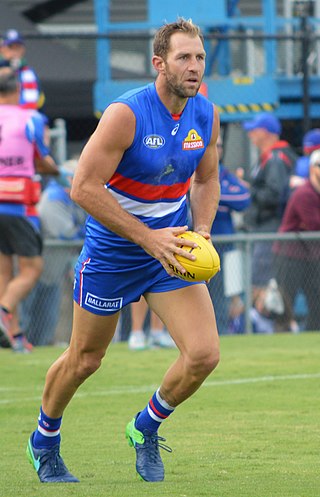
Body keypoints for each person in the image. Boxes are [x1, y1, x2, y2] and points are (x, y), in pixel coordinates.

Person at [26, 18, 221, 484]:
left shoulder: (207, 114)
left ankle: (144, 427)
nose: (193, 67)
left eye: (198, 58)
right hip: (113, 253)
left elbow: (207, 178)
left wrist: (204, 230)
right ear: (159, 63)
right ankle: (44, 440)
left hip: (170, 250)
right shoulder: (126, 113)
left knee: (204, 355)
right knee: (85, 359)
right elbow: (83, 187)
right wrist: (146, 237)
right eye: (183, 58)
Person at [0, 68, 60, 352]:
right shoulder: (30, 118)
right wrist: (58, 171)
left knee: (3, 271)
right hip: (18, 204)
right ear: (16, 92)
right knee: (32, 268)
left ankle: (15, 335)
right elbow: (41, 159)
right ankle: (3, 311)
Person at [21, 159, 87, 346]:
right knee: (25, 316)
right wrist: (84, 230)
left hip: (54, 272)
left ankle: (40, 344)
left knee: (47, 321)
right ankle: (19, 344)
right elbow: (66, 232)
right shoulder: (53, 197)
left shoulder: (75, 199)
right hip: (36, 269)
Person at [242, 112, 298, 311]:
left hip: (270, 230)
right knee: (261, 282)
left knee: (262, 283)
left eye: (254, 130)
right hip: (266, 229)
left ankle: (263, 325)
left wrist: (249, 189)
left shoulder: (276, 158)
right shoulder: (269, 157)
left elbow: (274, 195)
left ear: (266, 133)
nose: (250, 134)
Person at [207, 134, 251, 334]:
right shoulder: (191, 167)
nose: (219, 150)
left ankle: (221, 333)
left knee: (225, 295)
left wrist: (210, 191)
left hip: (225, 246)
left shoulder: (223, 173)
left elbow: (243, 198)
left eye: (221, 146)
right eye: (214, 145)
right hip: (197, 245)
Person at [273, 148, 320, 331]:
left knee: (317, 302)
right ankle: (280, 339)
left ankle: (313, 336)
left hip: (310, 257)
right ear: (311, 169)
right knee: (285, 304)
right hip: (289, 256)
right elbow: (314, 224)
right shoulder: (304, 193)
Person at [0, 29, 44, 110]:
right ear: (2, 49)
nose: (14, 52)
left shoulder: (27, 73)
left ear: (23, 49)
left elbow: (30, 105)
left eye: (18, 47)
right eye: (11, 47)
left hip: (20, 118)